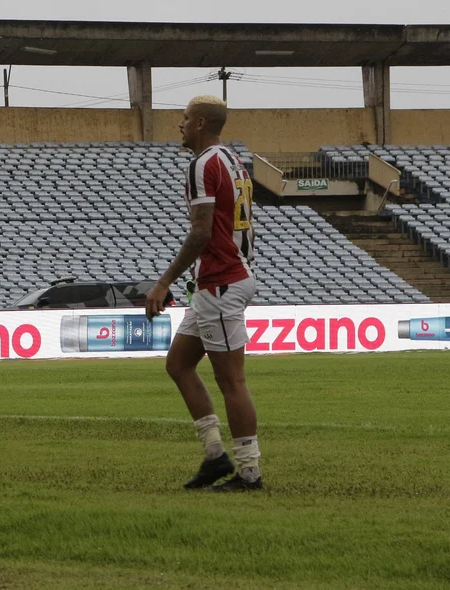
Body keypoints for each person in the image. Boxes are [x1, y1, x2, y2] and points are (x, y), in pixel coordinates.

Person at [145, 95, 261, 492]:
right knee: (178, 364)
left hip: (220, 281)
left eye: (185, 118)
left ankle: (249, 473)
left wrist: (164, 282)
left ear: (199, 124)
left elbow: (202, 231)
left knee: (232, 381)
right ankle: (215, 456)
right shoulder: (232, 160)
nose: (180, 124)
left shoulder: (202, 164)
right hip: (224, 277)